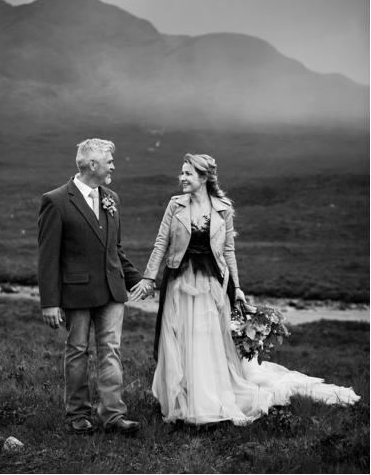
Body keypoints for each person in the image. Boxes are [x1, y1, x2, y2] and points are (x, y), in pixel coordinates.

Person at [128, 154, 357, 425]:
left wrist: (237, 288)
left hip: (212, 284)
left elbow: (228, 251)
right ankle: (183, 399)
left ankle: (208, 400)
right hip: (178, 281)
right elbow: (160, 244)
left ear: (204, 177)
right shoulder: (174, 205)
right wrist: (148, 278)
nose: (182, 178)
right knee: (178, 341)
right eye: (182, 173)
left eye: (188, 174)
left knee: (205, 341)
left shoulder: (223, 208)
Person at [38, 138, 144, 435]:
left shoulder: (112, 198)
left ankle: (114, 415)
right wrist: (49, 302)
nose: (114, 165)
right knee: (78, 350)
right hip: (77, 292)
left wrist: (142, 281)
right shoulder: (56, 200)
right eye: (109, 160)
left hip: (112, 290)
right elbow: (48, 257)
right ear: (92, 164)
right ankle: (78, 414)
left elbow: (116, 250)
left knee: (111, 350)